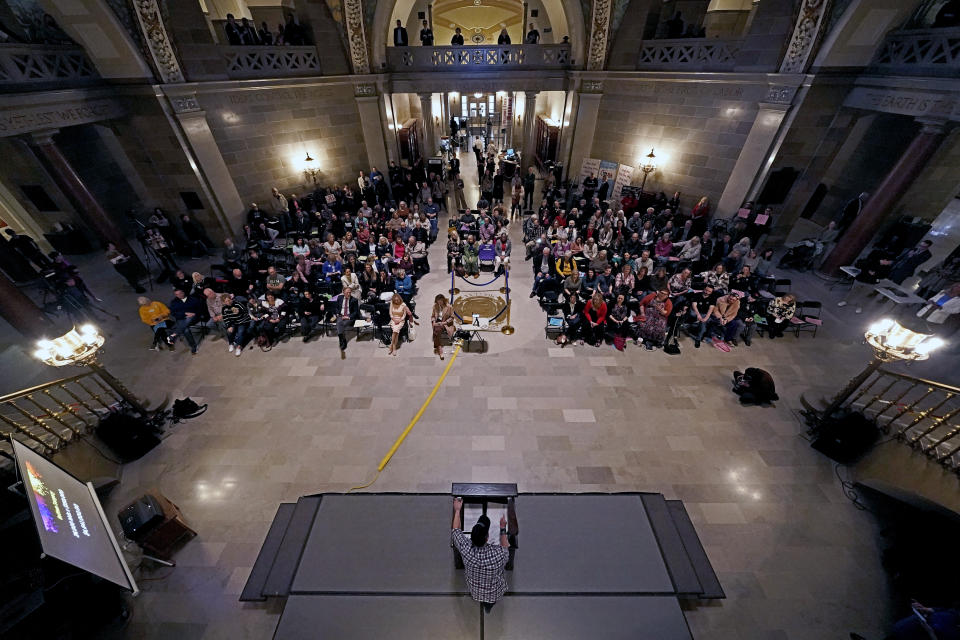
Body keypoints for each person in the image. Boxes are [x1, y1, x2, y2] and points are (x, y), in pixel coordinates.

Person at [450, 496, 509, 612]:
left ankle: (485, 603)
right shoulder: (498, 555)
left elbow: (455, 530)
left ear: (471, 537)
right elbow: (505, 547)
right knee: (490, 601)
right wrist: (502, 528)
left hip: (474, 591)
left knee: (482, 596)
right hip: (494, 593)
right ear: (487, 538)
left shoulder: (465, 548)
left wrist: (457, 510)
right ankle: (488, 607)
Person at [169, 289, 202, 355]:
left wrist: (193, 314)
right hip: (181, 319)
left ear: (183, 292)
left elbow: (200, 309)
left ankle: (174, 334)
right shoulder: (174, 302)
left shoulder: (193, 299)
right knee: (186, 330)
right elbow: (173, 313)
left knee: (188, 319)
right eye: (176, 294)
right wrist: (184, 314)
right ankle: (193, 346)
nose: (179, 295)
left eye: (180, 293)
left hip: (193, 318)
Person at [333, 286, 359, 357]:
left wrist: (348, 316)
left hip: (349, 316)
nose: (349, 294)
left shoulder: (354, 300)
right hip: (341, 315)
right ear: (343, 292)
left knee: (340, 324)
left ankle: (342, 340)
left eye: (350, 292)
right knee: (340, 322)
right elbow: (337, 308)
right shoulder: (339, 298)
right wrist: (337, 313)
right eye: (347, 292)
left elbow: (356, 312)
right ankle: (342, 339)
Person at [431, 294, 455, 359]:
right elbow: (433, 316)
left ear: (443, 300)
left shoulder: (449, 307)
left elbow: (452, 317)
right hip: (438, 321)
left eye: (440, 301)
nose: (439, 303)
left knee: (436, 331)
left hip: (445, 322)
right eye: (438, 301)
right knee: (437, 329)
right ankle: (440, 348)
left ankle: (439, 349)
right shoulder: (435, 306)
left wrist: (444, 323)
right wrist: (433, 322)